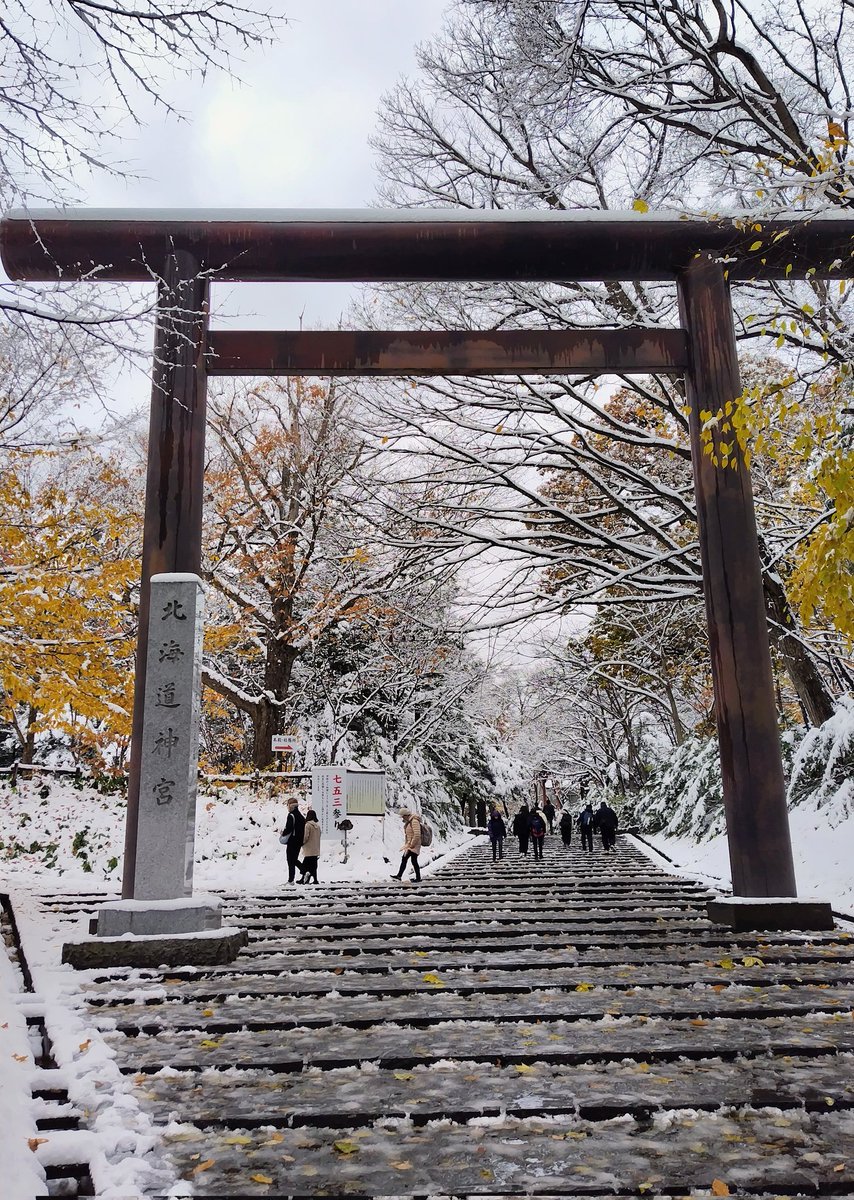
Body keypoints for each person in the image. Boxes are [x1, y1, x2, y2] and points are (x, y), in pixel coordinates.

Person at [391, 808, 422, 882]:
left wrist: (412, 844)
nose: (402, 818)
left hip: (414, 845)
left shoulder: (414, 821)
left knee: (411, 860)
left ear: (405, 815)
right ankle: (401, 876)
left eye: (402, 816)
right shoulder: (409, 821)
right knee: (409, 860)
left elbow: (417, 834)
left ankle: (417, 878)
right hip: (410, 844)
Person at [282, 797, 306, 883]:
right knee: (294, 859)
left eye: (287, 805)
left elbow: (289, 828)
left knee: (290, 860)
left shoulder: (291, 815)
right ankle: (305, 871)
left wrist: (283, 833)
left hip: (292, 841)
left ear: (291, 806)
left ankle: (291, 880)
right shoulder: (301, 816)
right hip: (299, 841)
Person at [298, 808, 321, 883]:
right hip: (316, 849)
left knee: (305, 864)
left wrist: (302, 843)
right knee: (314, 865)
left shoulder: (308, 825)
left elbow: (305, 837)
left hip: (309, 849)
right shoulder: (318, 826)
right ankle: (315, 879)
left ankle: (303, 878)